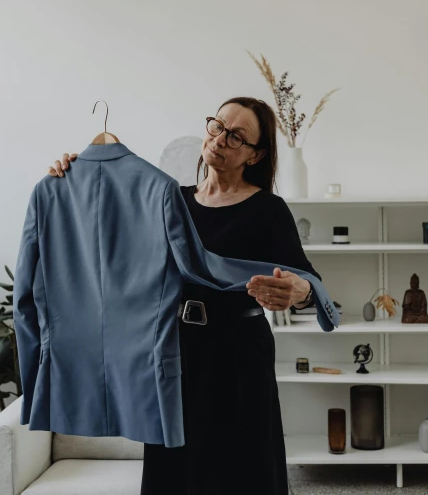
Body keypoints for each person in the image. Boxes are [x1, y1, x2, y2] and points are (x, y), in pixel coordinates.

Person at [46, 97, 321, 494]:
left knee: (241, 472)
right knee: (175, 473)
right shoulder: (169, 200)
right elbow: (106, 242)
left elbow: (307, 281)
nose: (220, 139)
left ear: (255, 154)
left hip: (239, 358)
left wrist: (300, 291)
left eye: (236, 136)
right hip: (173, 353)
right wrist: (70, 179)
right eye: (217, 125)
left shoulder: (268, 210)